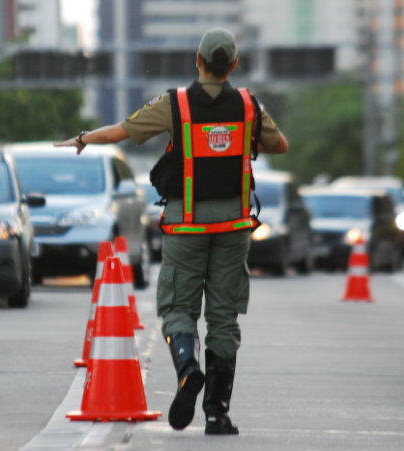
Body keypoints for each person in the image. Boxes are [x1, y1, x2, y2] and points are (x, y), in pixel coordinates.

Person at [55, 28, 288, 435]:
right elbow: (280, 145)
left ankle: (187, 369)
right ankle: (217, 413)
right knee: (223, 316)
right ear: (232, 65)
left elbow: (119, 133)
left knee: (178, 306)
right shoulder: (249, 106)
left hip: (186, 224)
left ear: (197, 60)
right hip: (234, 225)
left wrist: (81, 139)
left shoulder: (174, 104)